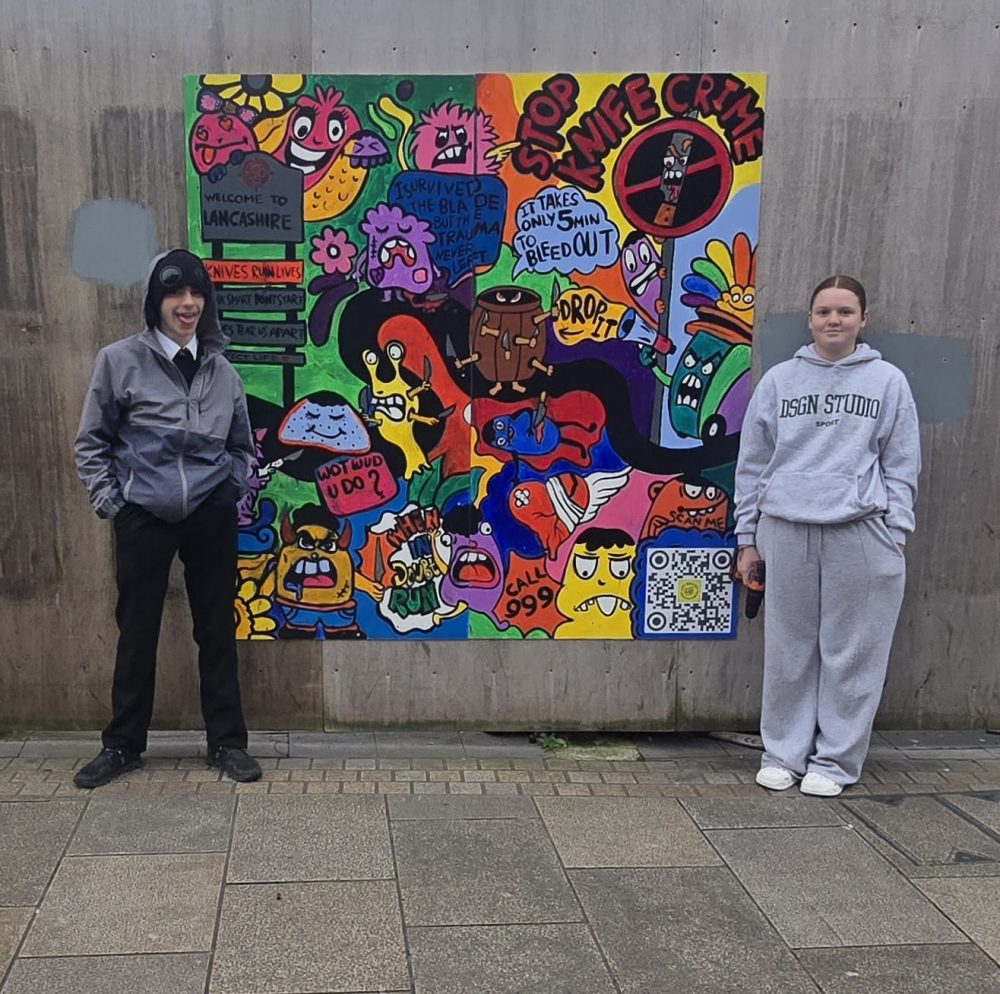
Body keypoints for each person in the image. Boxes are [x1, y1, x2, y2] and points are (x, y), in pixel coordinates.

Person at [73, 248, 261, 788]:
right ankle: (122, 746)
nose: (187, 303)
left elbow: (241, 446)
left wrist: (228, 491)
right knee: (137, 632)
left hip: (209, 515)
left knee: (216, 629)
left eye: (197, 293)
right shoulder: (119, 361)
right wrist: (115, 503)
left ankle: (227, 742)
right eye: (175, 293)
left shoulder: (222, 372)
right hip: (143, 515)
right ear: (154, 301)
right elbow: (91, 442)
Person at [734, 275, 920, 797]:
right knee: (788, 650)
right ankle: (783, 754)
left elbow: (902, 462)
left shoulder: (887, 381)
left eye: (844, 311)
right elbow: (752, 465)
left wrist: (895, 531)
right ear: (810, 319)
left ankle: (835, 762)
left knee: (853, 653)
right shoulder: (780, 381)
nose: (833, 320)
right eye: (823, 312)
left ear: (863, 319)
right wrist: (747, 538)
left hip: (859, 531)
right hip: (785, 529)